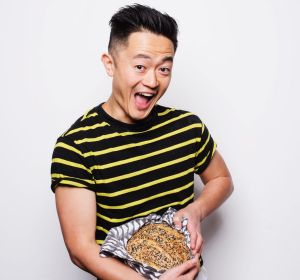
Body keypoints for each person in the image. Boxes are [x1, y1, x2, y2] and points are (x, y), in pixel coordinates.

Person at [51, 4, 234, 280]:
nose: (152, 80)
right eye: (140, 66)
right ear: (109, 63)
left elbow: (222, 179)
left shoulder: (187, 128)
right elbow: (80, 249)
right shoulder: (77, 146)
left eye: (164, 69)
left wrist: (196, 210)